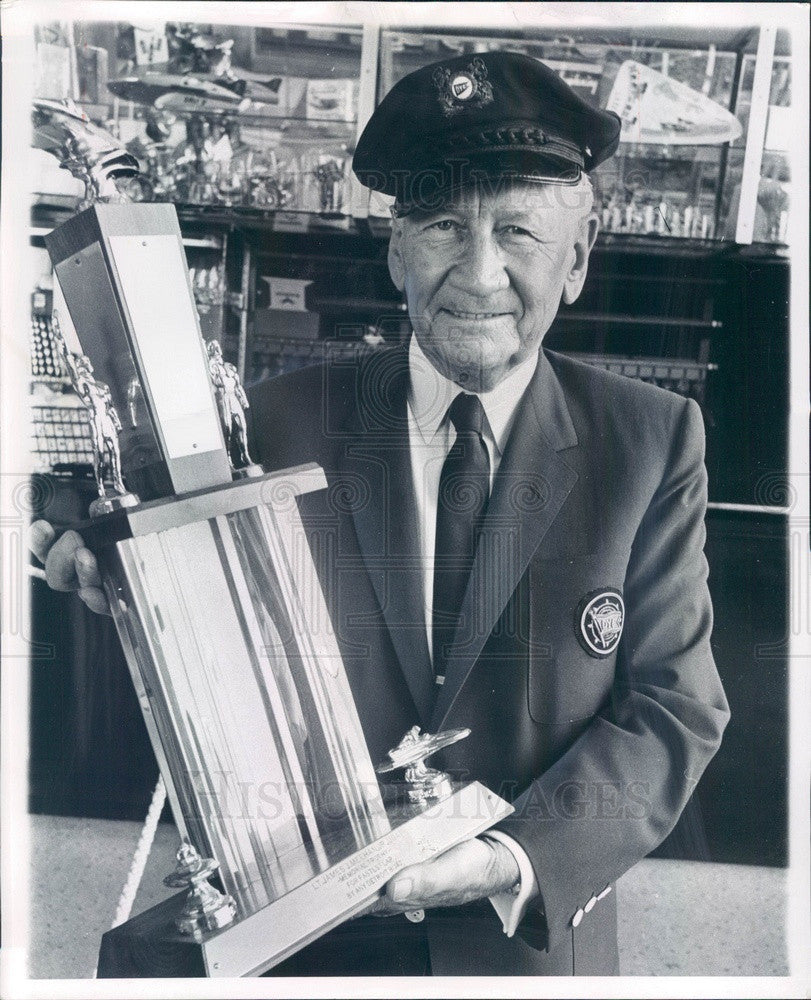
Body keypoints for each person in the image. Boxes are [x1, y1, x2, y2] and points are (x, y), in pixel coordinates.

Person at [30, 51, 729, 976]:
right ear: (395, 249)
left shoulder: (649, 440)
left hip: (522, 933)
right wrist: (80, 539)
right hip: (303, 936)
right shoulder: (276, 421)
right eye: (444, 226)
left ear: (578, 261)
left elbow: (676, 708)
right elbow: (119, 500)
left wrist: (510, 857)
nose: (479, 275)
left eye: (518, 231)